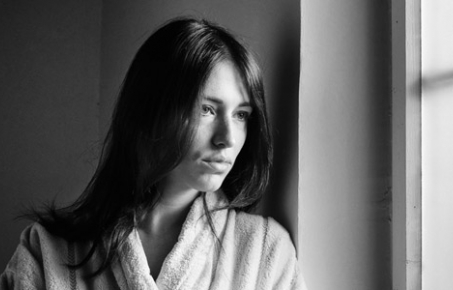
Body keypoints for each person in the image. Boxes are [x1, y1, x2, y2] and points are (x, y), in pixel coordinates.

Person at [0, 17, 306, 290]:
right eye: (207, 109)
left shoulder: (265, 252)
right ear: (152, 112)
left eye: (241, 115)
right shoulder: (46, 250)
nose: (227, 138)